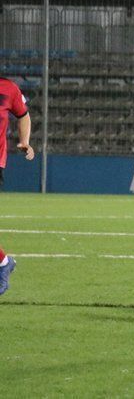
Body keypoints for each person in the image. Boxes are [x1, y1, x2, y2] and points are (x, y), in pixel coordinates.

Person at [0, 76, 34, 295]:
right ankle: (3, 262)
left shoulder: (8, 88)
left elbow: (23, 115)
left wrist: (25, 141)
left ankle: (3, 264)